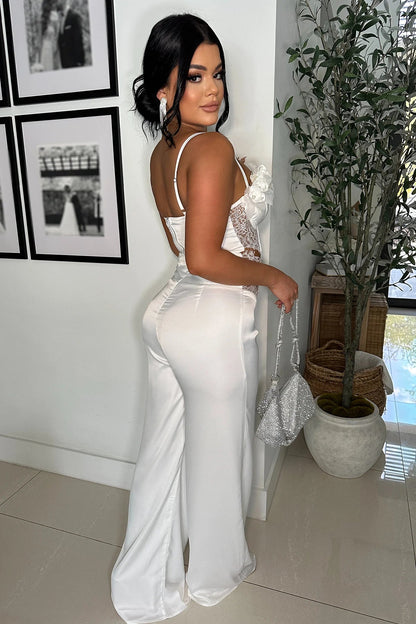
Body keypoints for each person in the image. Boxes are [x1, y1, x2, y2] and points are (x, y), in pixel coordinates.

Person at [111, 14, 298, 624]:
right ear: (163, 86)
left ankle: (143, 576)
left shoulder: (163, 153)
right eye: (195, 76)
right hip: (211, 323)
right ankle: (214, 579)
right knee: (219, 462)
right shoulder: (211, 148)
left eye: (217, 73)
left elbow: (183, 248)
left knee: (161, 455)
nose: (213, 88)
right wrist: (273, 276)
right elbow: (204, 257)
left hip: (166, 316)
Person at [56, 0, 85, 68]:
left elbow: (78, 39)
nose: (56, 2)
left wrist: (79, 61)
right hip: (64, 62)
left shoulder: (74, 16)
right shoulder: (59, 18)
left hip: (74, 62)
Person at [39, 0, 60, 72]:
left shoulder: (54, 16)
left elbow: (57, 34)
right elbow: (40, 38)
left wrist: (55, 46)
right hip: (45, 48)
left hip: (53, 46)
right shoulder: (42, 17)